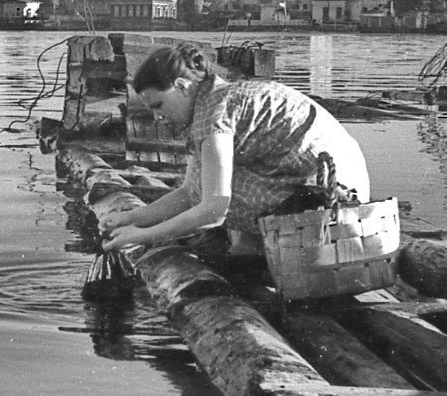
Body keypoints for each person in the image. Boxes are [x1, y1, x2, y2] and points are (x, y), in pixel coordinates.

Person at [101, 43, 370, 258]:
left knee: (208, 193)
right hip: (332, 186)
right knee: (202, 185)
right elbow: (186, 193)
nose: (158, 118)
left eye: (158, 106)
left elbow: (213, 211)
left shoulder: (213, 115)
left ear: (181, 87)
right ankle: (252, 248)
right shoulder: (213, 99)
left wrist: (140, 237)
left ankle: (254, 252)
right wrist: (132, 218)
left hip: (331, 198)